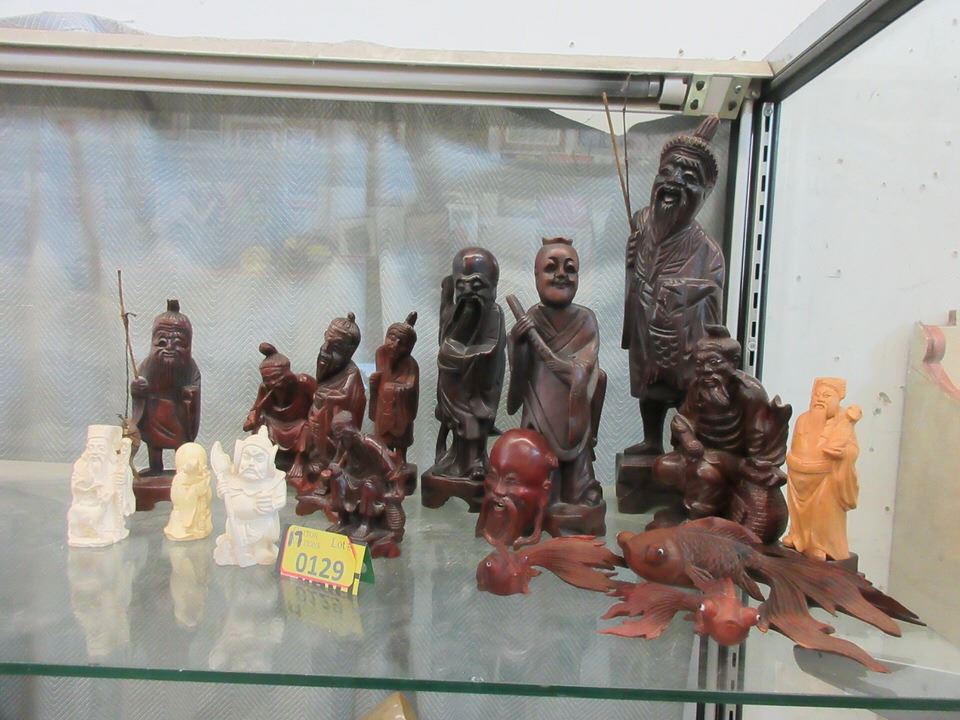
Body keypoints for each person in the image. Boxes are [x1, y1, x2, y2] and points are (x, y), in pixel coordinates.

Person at [622, 117, 725, 457]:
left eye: (689, 178)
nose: (674, 181)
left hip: (681, 341)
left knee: (683, 392)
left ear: (705, 194)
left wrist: (678, 294)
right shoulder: (642, 221)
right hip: (645, 328)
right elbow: (636, 269)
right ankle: (651, 439)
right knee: (648, 391)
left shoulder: (707, 251)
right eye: (666, 172)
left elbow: (711, 302)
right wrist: (632, 261)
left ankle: (682, 443)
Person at [653, 325, 791, 544]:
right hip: (699, 454)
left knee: (705, 471)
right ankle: (687, 509)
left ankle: (700, 525)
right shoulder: (698, 386)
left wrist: (753, 468)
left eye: (714, 362)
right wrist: (688, 439)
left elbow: (758, 443)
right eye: (700, 364)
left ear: (733, 363)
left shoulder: (750, 393)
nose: (706, 370)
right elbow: (683, 420)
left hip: (736, 463)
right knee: (664, 467)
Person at [507, 237, 606, 535]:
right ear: (536, 276)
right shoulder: (532, 318)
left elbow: (586, 366)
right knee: (540, 469)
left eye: (570, 269)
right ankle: (542, 500)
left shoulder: (586, 319)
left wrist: (560, 365)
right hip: (540, 407)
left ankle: (578, 491)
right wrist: (518, 342)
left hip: (573, 411)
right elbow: (521, 371)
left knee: (580, 483)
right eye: (551, 268)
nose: (561, 275)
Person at [783, 378, 861, 561]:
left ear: (838, 398)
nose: (819, 399)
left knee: (824, 513)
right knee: (799, 513)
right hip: (799, 476)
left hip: (827, 478)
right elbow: (796, 444)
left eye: (826, 396)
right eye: (816, 395)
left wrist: (843, 454)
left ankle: (822, 545)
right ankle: (798, 536)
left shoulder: (843, 421)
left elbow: (852, 449)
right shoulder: (803, 420)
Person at [131, 299, 201, 474]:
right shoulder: (147, 365)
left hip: (178, 415)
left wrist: (190, 393)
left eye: (178, 343)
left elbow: (195, 386)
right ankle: (156, 468)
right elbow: (139, 383)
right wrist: (137, 388)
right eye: (162, 342)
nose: (169, 348)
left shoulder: (190, 367)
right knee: (153, 443)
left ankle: (182, 470)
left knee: (182, 445)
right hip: (153, 413)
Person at [243, 342, 317, 485]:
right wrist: (252, 418)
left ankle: (299, 462)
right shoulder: (265, 388)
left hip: (300, 423)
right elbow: (256, 409)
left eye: (275, 377)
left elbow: (319, 405)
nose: (271, 383)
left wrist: (314, 417)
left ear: (287, 373)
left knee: (307, 426)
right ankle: (264, 461)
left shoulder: (305, 382)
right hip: (276, 424)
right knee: (262, 425)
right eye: (266, 379)